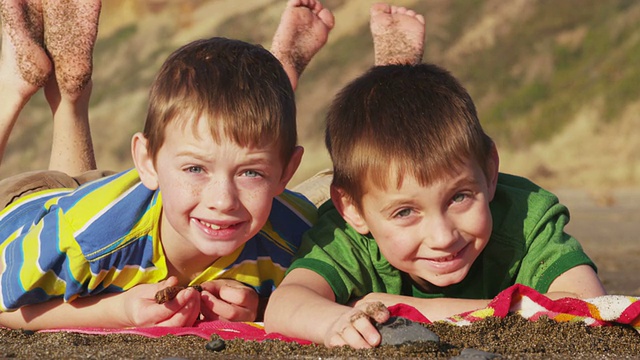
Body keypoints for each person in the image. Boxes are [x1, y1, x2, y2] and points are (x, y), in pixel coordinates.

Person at [264, 3, 607, 349]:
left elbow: (587, 307)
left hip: (377, 188)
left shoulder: (523, 216)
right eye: (405, 212)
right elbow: (284, 304)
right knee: (262, 196)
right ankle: (284, 72)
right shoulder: (344, 233)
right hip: (323, 195)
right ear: (353, 212)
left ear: (489, 173)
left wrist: (406, 309)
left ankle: (396, 74)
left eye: (459, 197)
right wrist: (334, 320)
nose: (442, 237)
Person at [0, 0, 334, 329]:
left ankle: (71, 94)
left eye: (251, 173)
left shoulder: (297, 231)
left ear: (286, 173)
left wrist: (260, 307)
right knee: (77, 219)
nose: (223, 200)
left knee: (244, 139)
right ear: (147, 162)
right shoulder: (84, 240)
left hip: (109, 198)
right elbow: (9, 310)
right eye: (196, 169)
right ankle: (12, 84)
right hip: (24, 209)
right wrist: (120, 309)